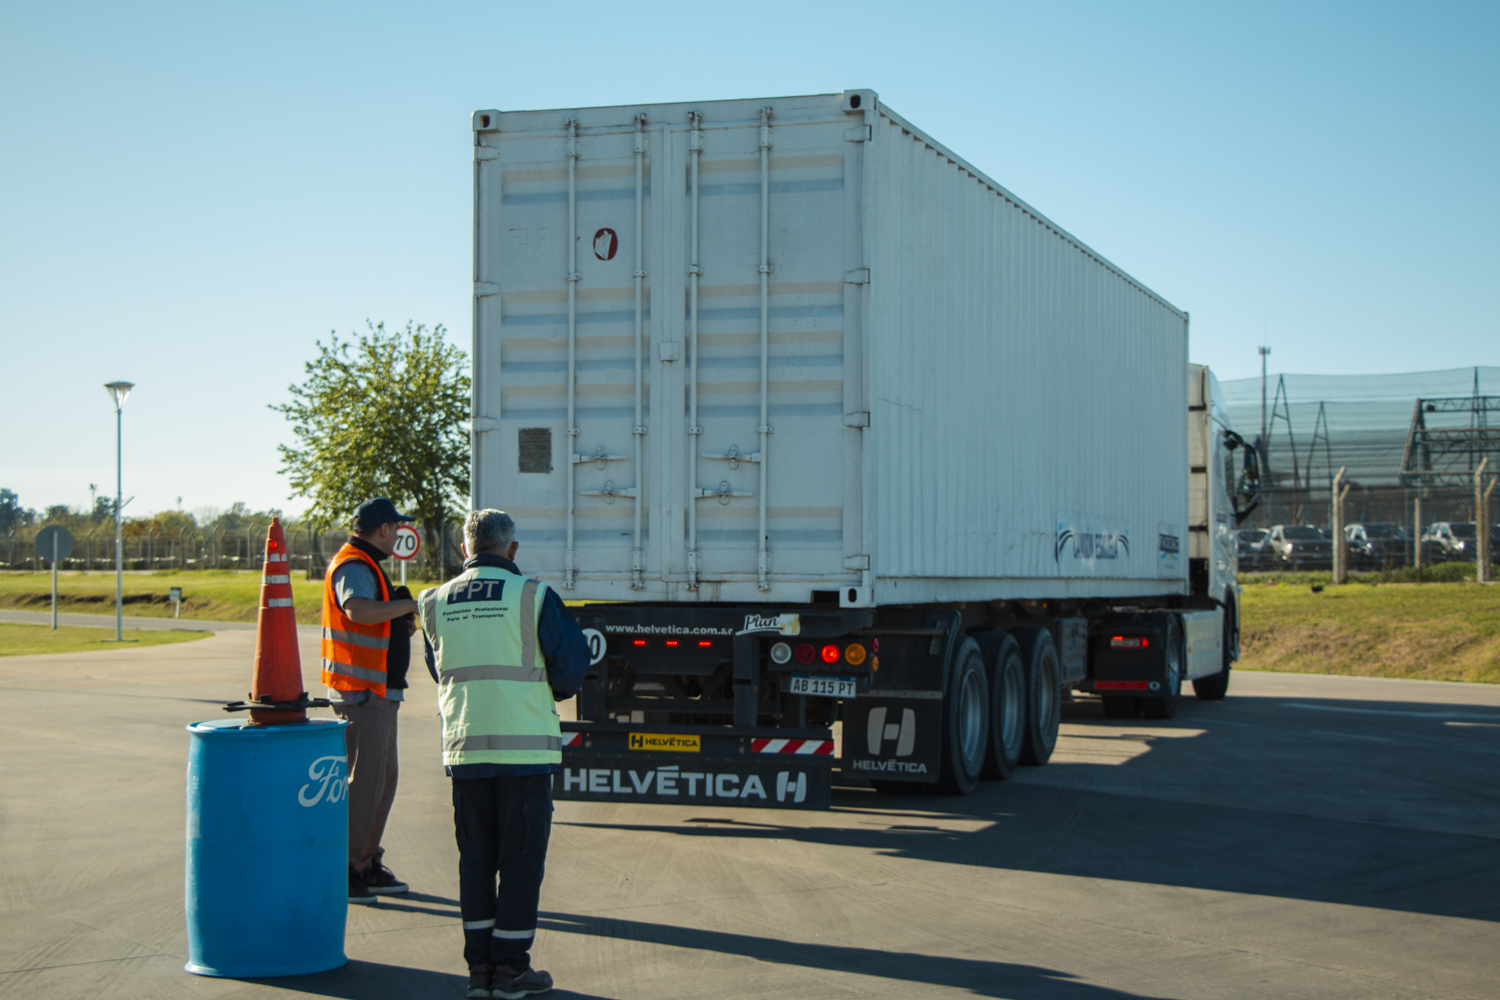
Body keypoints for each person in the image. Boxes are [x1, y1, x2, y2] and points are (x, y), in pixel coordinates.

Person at [419, 509, 589, 999]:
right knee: (519, 861)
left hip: (466, 750)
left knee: (475, 860)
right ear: (511, 550)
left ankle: (480, 972)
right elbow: (570, 668)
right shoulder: (532, 596)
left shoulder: (434, 602)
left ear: (464, 550)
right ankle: (511, 968)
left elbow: (439, 669)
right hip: (524, 750)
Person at [321, 496, 420, 904]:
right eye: (396, 527)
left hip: (377, 691)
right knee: (365, 784)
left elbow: (374, 619)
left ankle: (365, 862)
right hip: (362, 693)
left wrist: (401, 621)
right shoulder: (355, 565)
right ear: (383, 529)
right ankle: (343, 868)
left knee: (382, 780)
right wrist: (414, 605)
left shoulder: (368, 566)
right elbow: (358, 611)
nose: (398, 533)